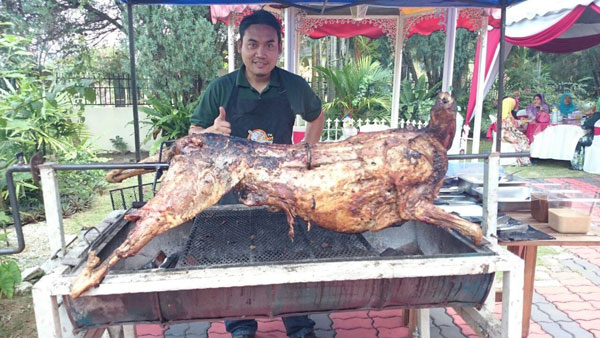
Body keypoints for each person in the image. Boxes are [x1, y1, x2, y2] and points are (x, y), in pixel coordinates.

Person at [189, 10, 323, 338]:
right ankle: (240, 327)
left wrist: (307, 151)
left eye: (268, 45)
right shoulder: (221, 89)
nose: (260, 53)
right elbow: (194, 133)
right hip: (231, 186)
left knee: (288, 250)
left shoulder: (293, 86)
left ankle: (299, 325)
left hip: (277, 184)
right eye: (252, 44)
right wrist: (212, 130)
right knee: (234, 253)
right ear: (240, 46)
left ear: (278, 49)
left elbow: (316, 115)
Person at [500, 97, 531, 166]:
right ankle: (523, 161)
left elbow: (514, 124)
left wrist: (524, 121)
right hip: (507, 135)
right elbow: (511, 128)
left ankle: (524, 160)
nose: (513, 106)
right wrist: (520, 132)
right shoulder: (506, 116)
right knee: (524, 140)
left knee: (523, 138)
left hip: (507, 133)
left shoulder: (504, 114)